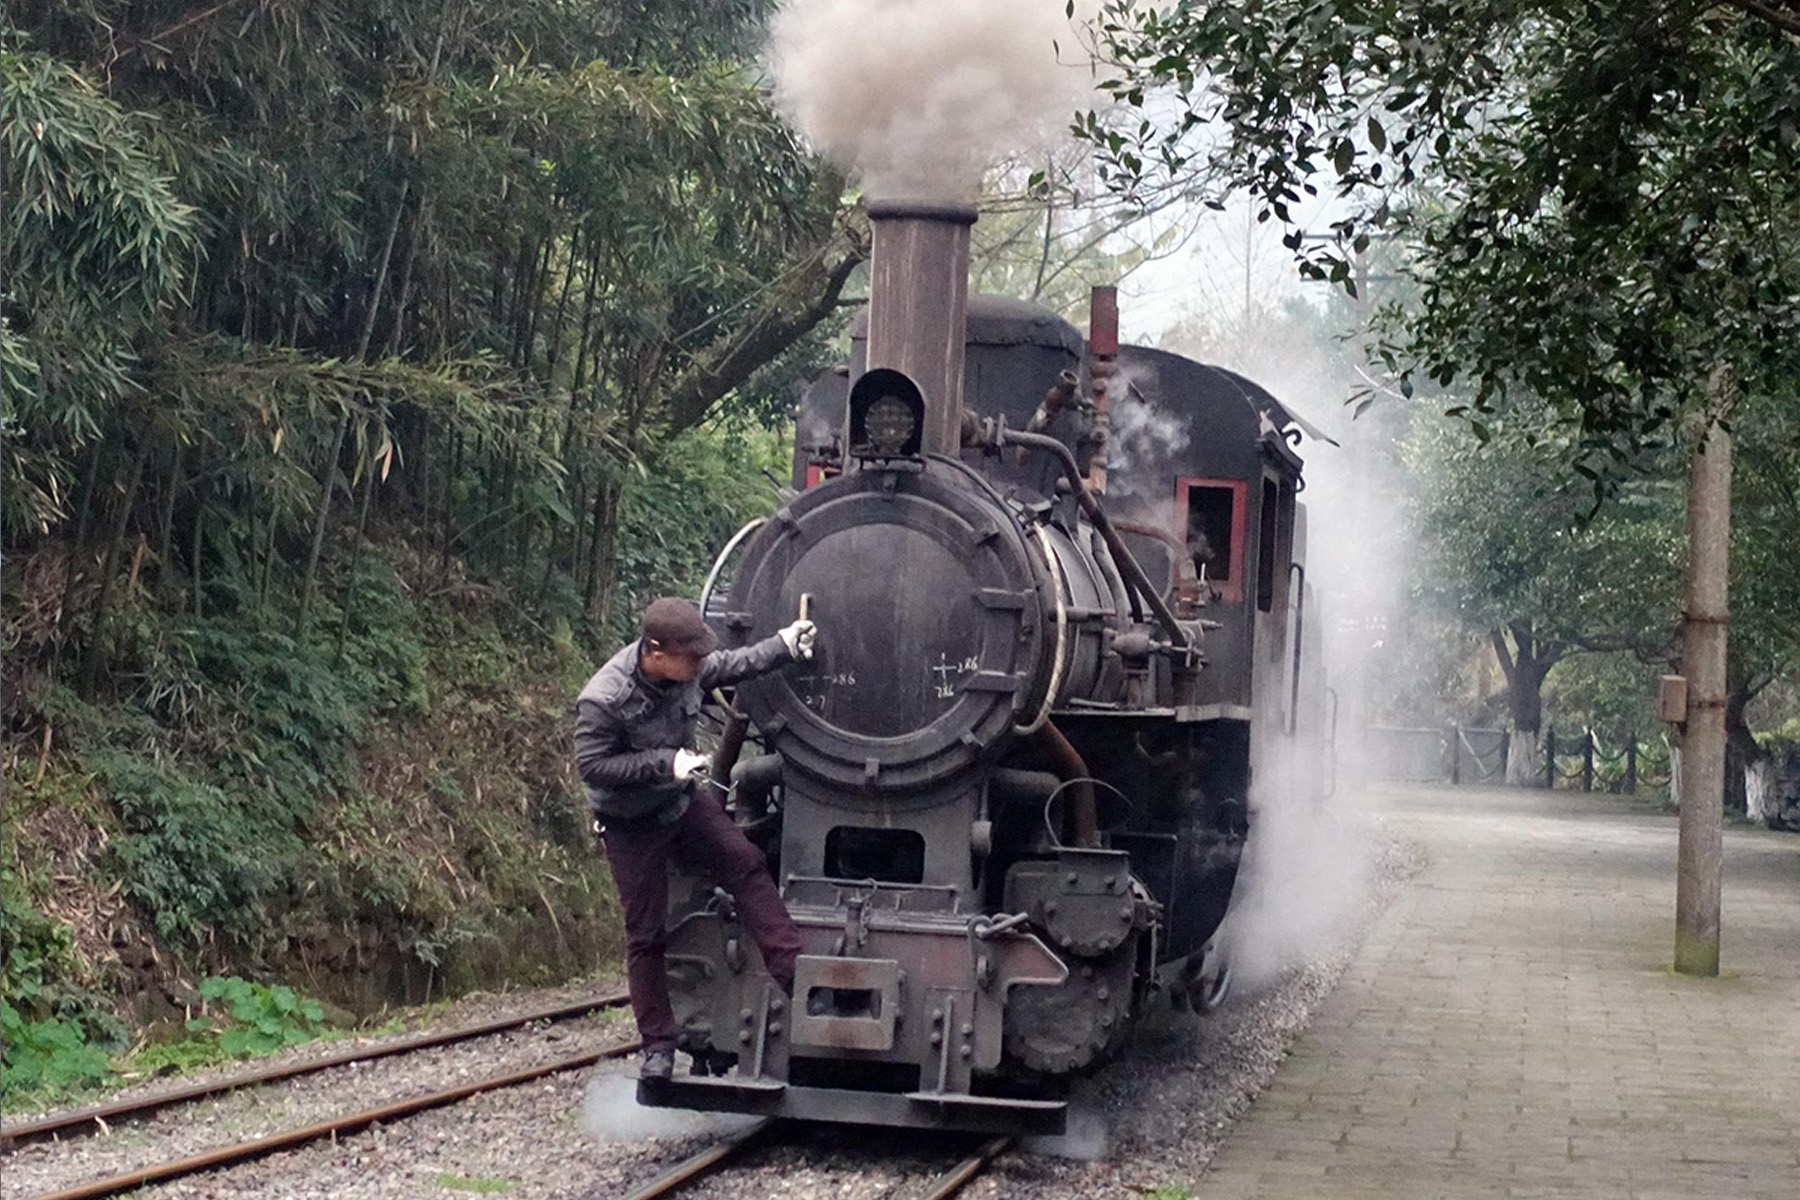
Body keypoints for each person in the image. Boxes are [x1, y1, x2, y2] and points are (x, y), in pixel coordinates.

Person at [573, 596, 816, 1080]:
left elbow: (734, 664)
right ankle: (658, 1047)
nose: (701, 664)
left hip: (681, 804)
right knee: (645, 935)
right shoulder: (603, 699)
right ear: (657, 653)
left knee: (744, 861)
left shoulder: (692, 668)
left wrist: (784, 645)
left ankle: (795, 974)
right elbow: (592, 766)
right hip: (631, 824)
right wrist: (665, 762)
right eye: (692, 657)